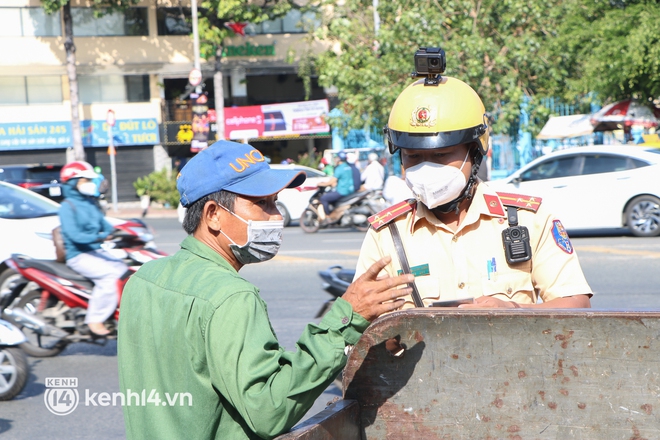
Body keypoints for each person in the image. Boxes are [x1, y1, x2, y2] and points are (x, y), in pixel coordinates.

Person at [117, 140, 413, 440]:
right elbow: (267, 411)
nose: (277, 216)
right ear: (212, 215)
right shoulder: (231, 297)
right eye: (263, 204)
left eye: (275, 202)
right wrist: (343, 322)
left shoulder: (141, 280)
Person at [354, 61, 592, 310]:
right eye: (413, 157)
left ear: (475, 153)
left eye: (440, 155)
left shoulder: (528, 220)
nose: (426, 168)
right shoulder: (386, 234)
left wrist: (513, 311)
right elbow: (366, 324)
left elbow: (576, 305)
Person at [58, 161, 128, 336]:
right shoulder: (67, 206)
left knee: (124, 269)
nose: (89, 184)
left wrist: (123, 232)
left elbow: (106, 225)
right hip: (78, 255)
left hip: (95, 251)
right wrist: (99, 237)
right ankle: (95, 318)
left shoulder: (90, 203)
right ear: (73, 182)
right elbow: (74, 236)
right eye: (84, 180)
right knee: (110, 276)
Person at [316, 151, 355, 221]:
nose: (335, 159)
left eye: (336, 158)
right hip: (349, 190)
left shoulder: (339, 168)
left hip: (342, 191)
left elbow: (332, 181)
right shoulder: (348, 167)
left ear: (339, 159)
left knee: (323, 198)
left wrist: (321, 184)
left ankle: (328, 217)